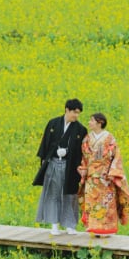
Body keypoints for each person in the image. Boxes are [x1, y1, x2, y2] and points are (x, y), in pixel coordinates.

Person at [34, 99, 88, 234]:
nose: (76, 116)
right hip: (53, 163)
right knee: (53, 193)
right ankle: (54, 224)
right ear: (67, 110)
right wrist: (43, 162)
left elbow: (82, 151)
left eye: (78, 113)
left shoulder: (81, 129)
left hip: (70, 166)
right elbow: (45, 143)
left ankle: (70, 225)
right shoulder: (53, 123)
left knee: (70, 195)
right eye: (74, 112)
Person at [78, 112, 129, 236]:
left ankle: (107, 230)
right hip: (92, 177)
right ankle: (94, 228)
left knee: (107, 203)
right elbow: (84, 157)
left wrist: (113, 172)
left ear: (99, 123)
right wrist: (83, 169)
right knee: (92, 203)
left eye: (91, 120)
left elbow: (116, 156)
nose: (89, 123)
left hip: (106, 177)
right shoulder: (87, 138)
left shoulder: (109, 138)